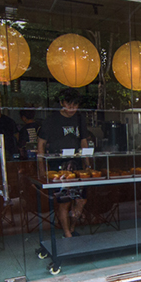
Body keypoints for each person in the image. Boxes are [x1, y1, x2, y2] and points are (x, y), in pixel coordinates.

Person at [37, 89, 89, 238]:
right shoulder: (51, 120)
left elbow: (83, 141)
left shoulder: (79, 118)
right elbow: (41, 145)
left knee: (81, 200)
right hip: (58, 166)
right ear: (61, 103)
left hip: (77, 165)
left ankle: (72, 228)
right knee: (64, 201)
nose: (72, 109)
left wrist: (87, 164)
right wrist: (42, 168)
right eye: (69, 105)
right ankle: (67, 233)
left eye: (75, 105)